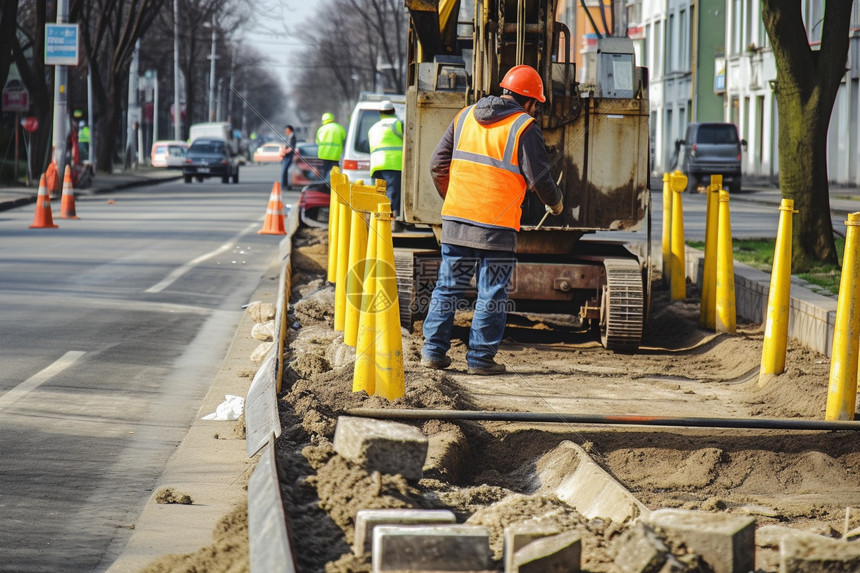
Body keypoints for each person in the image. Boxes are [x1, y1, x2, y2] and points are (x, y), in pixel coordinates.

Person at [420, 64, 564, 376]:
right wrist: (555, 204)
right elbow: (539, 177)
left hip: (457, 222)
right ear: (529, 101)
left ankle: (432, 352)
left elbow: (437, 164)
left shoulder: (465, 115)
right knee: (492, 292)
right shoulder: (524, 126)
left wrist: (455, 198)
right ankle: (481, 360)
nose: (535, 111)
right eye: (535, 104)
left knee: (447, 287)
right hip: (497, 229)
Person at [368, 100, 403, 219]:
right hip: (393, 163)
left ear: (380, 113)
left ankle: (377, 216)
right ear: (393, 111)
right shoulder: (397, 124)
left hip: (376, 165)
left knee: (380, 192)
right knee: (392, 191)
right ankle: (389, 218)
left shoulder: (373, 128)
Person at [316, 112, 346, 181]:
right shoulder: (339, 128)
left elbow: (317, 142)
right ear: (332, 119)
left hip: (323, 155)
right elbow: (344, 140)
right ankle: (334, 187)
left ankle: (324, 186)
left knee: (324, 172)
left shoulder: (321, 129)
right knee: (335, 173)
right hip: (335, 155)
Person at [279, 124, 296, 190]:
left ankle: (284, 185)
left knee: (284, 170)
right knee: (284, 170)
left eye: (287, 130)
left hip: (288, 156)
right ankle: (284, 185)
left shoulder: (292, 137)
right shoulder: (289, 137)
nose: (286, 132)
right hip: (286, 156)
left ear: (290, 130)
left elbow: (291, 148)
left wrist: (284, 152)